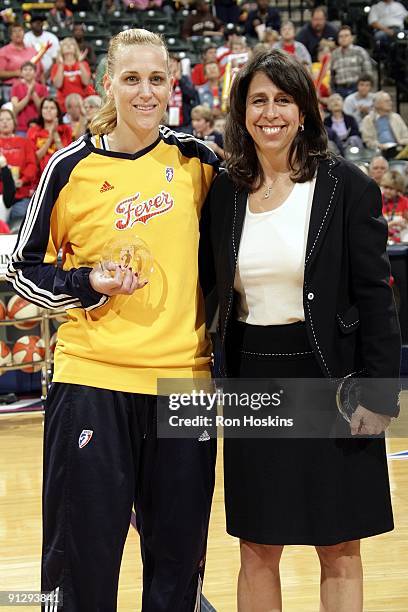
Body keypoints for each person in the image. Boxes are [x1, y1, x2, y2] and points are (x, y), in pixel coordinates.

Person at [6, 28, 218, 612]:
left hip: (185, 385)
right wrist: (87, 283)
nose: (145, 91)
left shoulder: (200, 162)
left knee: (178, 566)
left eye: (156, 79)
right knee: (80, 563)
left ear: (171, 85)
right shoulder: (68, 168)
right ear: (108, 85)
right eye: (131, 78)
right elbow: (25, 272)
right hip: (93, 379)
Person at [200, 48, 400, 611]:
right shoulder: (224, 192)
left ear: (304, 110)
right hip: (252, 380)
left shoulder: (348, 186)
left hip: (332, 377)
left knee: (339, 544)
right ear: (241, 113)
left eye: (283, 100)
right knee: (258, 544)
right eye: (258, 100)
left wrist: (380, 392)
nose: (270, 113)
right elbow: (211, 290)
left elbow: (376, 299)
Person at [0, 108, 38, 231]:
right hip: (0, 194)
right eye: (1, 120)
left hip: (20, 194)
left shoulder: (24, 142)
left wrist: (22, 180)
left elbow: (32, 165)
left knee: (19, 224)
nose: (5, 122)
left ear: (14, 122)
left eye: (8, 119)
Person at [27, 97, 72, 173]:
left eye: (52, 108)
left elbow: (67, 158)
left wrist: (55, 134)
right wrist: (50, 138)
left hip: (61, 173)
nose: (48, 110)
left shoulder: (66, 130)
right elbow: (34, 159)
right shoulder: (33, 130)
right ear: (41, 111)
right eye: (45, 108)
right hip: (39, 175)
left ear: (58, 112)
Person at [0, 23, 43, 103]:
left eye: (20, 31)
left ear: (24, 33)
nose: (18, 33)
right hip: (11, 88)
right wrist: (16, 73)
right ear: (10, 35)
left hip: (33, 86)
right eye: (14, 31)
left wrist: (43, 87)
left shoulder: (32, 50)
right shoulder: (3, 51)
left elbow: (40, 71)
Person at [50, 37, 94, 113]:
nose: (68, 46)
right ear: (61, 50)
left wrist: (79, 62)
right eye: (65, 45)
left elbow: (86, 82)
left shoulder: (83, 64)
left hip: (83, 104)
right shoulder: (57, 66)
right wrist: (61, 65)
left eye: (71, 44)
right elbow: (58, 85)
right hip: (63, 106)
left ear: (75, 48)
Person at [361, 90, 408, 159]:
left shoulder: (396, 117)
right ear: (377, 104)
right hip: (379, 151)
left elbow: (406, 136)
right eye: (387, 101)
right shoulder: (368, 119)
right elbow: (367, 140)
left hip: (398, 149)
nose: (390, 103)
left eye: (390, 101)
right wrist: (380, 145)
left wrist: (400, 142)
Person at [330, 25, 373, 98]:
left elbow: (368, 73)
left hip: (357, 88)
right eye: (341, 36)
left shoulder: (360, 51)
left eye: (346, 36)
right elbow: (332, 75)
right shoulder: (334, 54)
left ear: (352, 38)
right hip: (340, 89)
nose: (343, 38)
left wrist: (365, 89)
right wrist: (333, 91)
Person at [10, 61, 48, 136]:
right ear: (21, 73)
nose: (28, 72)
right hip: (21, 128)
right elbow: (16, 109)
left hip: (38, 126)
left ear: (35, 72)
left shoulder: (42, 88)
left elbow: (42, 109)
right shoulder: (16, 87)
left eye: (30, 69)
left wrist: (33, 93)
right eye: (25, 69)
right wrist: (28, 95)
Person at [381, 169, 408, 242]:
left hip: (401, 241)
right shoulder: (378, 200)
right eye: (386, 187)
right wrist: (392, 224)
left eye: (391, 188)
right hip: (382, 240)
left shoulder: (405, 202)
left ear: (398, 189)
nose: (388, 191)